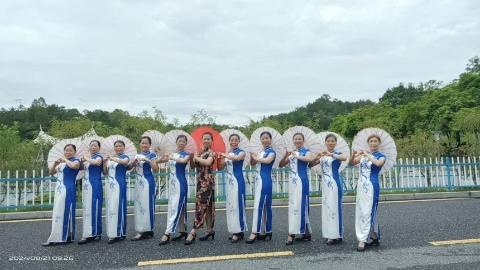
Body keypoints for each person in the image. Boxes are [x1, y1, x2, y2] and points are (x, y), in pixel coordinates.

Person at [349, 134, 386, 251]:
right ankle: (374, 236)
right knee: (362, 211)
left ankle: (363, 239)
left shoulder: (381, 156)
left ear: (379, 143)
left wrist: (367, 154)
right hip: (361, 186)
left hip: (371, 186)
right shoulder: (364, 156)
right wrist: (353, 156)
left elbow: (378, 164)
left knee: (369, 210)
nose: (373, 143)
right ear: (368, 143)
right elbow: (351, 163)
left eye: (375, 141)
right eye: (371, 141)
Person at [309, 134, 347, 245]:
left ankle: (335, 235)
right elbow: (310, 165)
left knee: (334, 208)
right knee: (327, 208)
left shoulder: (337, 154)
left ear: (335, 143)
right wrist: (317, 157)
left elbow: (344, 158)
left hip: (334, 183)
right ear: (325, 142)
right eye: (328, 141)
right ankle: (331, 232)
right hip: (325, 184)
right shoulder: (323, 155)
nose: (330, 143)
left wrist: (331, 154)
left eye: (332, 141)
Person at [42, 144, 81, 246]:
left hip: (67, 188)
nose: (68, 152)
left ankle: (58, 237)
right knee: (59, 211)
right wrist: (55, 164)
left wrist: (65, 160)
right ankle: (65, 235)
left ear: (74, 152)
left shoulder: (76, 161)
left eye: (70, 150)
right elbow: (51, 173)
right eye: (66, 150)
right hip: (59, 188)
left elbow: (73, 166)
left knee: (64, 211)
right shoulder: (61, 163)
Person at [279, 133, 313, 245]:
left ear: (303, 140)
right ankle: (305, 233)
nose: (297, 141)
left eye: (299, 139)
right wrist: (285, 155)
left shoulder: (305, 151)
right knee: (293, 206)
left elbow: (309, 159)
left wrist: (296, 155)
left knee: (301, 205)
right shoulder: (291, 153)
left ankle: (292, 234)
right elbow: (281, 165)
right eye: (295, 139)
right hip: (293, 182)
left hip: (302, 181)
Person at [157, 135, 190, 245]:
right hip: (173, 184)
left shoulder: (186, 154)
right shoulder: (173, 154)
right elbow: (158, 162)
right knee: (177, 206)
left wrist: (171, 157)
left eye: (183, 142)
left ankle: (168, 233)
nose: (181, 143)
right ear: (176, 142)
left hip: (180, 183)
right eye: (179, 141)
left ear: (186, 144)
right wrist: (162, 156)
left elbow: (182, 161)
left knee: (175, 207)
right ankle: (182, 231)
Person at [184, 132, 216, 245]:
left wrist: (197, 157)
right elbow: (193, 166)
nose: (206, 141)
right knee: (206, 206)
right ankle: (209, 230)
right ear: (202, 140)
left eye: (208, 139)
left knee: (201, 206)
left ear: (211, 141)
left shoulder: (212, 152)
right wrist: (193, 157)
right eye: (204, 139)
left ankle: (193, 231)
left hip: (207, 182)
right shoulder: (200, 152)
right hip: (200, 181)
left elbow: (208, 162)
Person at [246, 131, 276, 244]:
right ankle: (267, 230)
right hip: (259, 180)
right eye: (263, 138)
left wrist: (256, 158)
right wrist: (252, 158)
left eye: (267, 138)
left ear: (270, 139)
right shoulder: (261, 151)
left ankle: (255, 231)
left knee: (260, 205)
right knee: (263, 205)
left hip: (265, 180)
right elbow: (253, 164)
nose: (265, 140)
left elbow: (268, 161)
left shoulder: (272, 152)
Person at [218, 134, 248, 243]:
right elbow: (220, 167)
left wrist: (225, 155)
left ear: (239, 141)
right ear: (229, 141)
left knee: (238, 205)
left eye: (236, 140)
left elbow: (237, 158)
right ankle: (236, 229)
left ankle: (238, 230)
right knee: (231, 206)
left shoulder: (241, 152)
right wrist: (220, 159)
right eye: (232, 140)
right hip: (229, 181)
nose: (234, 142)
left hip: (238, 180)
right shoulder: (228, 153)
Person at [128, 136, 159, 241]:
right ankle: (146, 230)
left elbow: (156, 169)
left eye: (146, 143)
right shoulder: (137, 155)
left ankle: (144, 230)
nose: (144, 145)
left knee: (147, 205)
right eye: (142, 143)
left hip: (147, 182)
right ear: (140, 144)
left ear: (149, 145)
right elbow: (129, 168)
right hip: (138, 182)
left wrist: (147, 160)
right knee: (139, 205)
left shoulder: (152, 155)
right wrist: (133, 162)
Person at [103, 140, 130, 244]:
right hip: (110, 185)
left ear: (124, 147)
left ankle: (119, 233)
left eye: (120, 146)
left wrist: (112, 158)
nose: (118, 148)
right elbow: (105, 172)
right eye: (116, 146)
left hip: (119, 184)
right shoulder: (110, 159)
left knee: (118, 206)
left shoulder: (125, 157)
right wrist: (105, 163)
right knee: (110, 207)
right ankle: (112, 232)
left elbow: (124, 163)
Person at [78, 140, 103, 245]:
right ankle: (92, 232)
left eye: (95, 145)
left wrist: (86, 158)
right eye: (91, 145)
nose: (93, 147)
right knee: (87, 208)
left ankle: (92, 233)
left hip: (95, 183)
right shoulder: (89, 158)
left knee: (94, 207)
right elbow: (81, 168)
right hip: (87, 184)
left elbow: (96, 163)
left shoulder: (99, 157)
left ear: (99, 147)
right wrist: (81, 161)